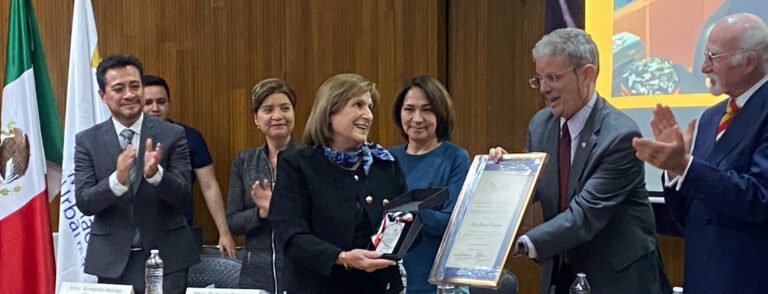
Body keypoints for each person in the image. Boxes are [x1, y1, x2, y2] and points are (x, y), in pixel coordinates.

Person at [489, 28, 669, 294]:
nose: (544, 89)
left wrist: (520, 244)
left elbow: (584, 216)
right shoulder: (541, 125)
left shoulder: (619, 135)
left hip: (616, 279)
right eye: (539, 79)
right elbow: (530, 190)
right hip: (561, 272)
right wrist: (504, 174)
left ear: (587, 75)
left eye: (553, 77)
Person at [633, 13, 768, 293]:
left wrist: (687, 167)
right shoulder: (710, 117)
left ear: (749, 62)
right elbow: (689, 215)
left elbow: (759, 199)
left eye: (713, 56)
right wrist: (673, 170)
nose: (703, 67)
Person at [269, 74, 405, 294]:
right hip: (319, 286)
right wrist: (342, 258)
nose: (368, 115)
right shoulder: (297, 165)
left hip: (377, 287)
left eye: (370, 107)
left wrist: (403, 224)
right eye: (358, 105)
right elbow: (291, 236)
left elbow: (408, 231)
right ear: (329, 111)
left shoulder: (385, 165)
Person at [75, 54, 199, 294]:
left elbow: (184, 195)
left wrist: (156, 175)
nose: (129, 94)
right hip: (113, 262)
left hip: (167, 259)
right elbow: (84, 201)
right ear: (103, 95)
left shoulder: (173, 134)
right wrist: (116, 182)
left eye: (134, 86)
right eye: (118, 88)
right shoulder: (87, 141)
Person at [388, 76, 469, 294]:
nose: (417, 118)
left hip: (438, 282)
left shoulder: (455, 158)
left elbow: (452, 223)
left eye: (427, 110)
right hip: (392, 279)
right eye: (409, 109)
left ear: (440, 114)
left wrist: (410, 211)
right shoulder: (388, 158)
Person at [141, 74, 236, 258]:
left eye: (161, 102)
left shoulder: (190, 137)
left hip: (179, 231)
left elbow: (209, 186)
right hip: (137, 237)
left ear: (169, 103)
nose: (155, 108)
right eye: (148, 102)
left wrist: (224, 232)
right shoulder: (128, 138)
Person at [226, 78, 300, 292]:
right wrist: (261, 213)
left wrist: (278, 208)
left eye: (285, 108)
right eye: (268, 110)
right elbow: (233, 221)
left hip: (299, 270)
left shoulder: (309, 160)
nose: (277, 116)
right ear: (256, 120)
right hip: (256, 273)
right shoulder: (244, 160)